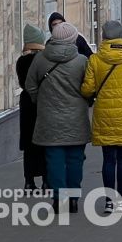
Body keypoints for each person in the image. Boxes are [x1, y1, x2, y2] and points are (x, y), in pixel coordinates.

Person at [25, 22, 90, 214]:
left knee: (53, 159)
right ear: (72, 39)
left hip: (49, 118)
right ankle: (73, 200)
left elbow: (30, 85)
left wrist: (41, 100)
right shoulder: (81, 61)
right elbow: (88, 87)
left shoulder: (40, 60)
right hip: (76, 118)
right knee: (75, 159)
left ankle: (58, 199)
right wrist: (85, 101)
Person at [80, 20, 122, 214]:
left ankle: (110, 201)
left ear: (104, 37)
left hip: (104, 113)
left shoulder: (96, 59)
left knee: (108, 159)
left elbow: (88, 88)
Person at [16, 24, 48, 191]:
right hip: (41, 102)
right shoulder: (42, 61)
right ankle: (45, 180)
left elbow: (22, 83)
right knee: (44, 142)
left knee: (29, 145)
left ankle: (29, 182)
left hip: (26, 103)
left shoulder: (21, 61)